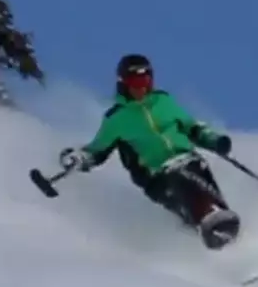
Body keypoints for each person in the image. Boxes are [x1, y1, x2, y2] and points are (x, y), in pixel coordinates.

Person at [59, 53, 240, 248]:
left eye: (145, 79)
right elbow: (96, 151)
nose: (141, 86)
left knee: (203, 188)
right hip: (157, 176)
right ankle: (209, 222)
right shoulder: (116, 118)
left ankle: (226, 244)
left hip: (190, 160)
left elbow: (192, 128)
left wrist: (214, 141)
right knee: (184, 182)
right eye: (134, 80)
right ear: (123, 82)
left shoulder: (164, 102)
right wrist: (78, 159)